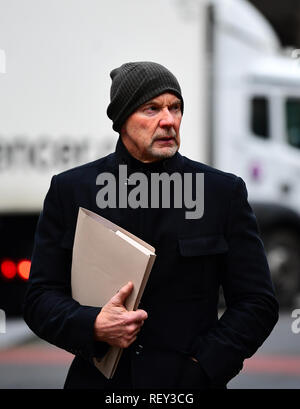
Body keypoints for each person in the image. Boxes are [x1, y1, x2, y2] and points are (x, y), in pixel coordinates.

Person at [23, 61, 279, 389]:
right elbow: (40, 298)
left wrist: (203, 367)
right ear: (122, 120)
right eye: (151, 108)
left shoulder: (221, 193)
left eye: (175, 107)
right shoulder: (72, 190)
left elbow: (257, 301)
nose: (168, 120)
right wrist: (93, 325)